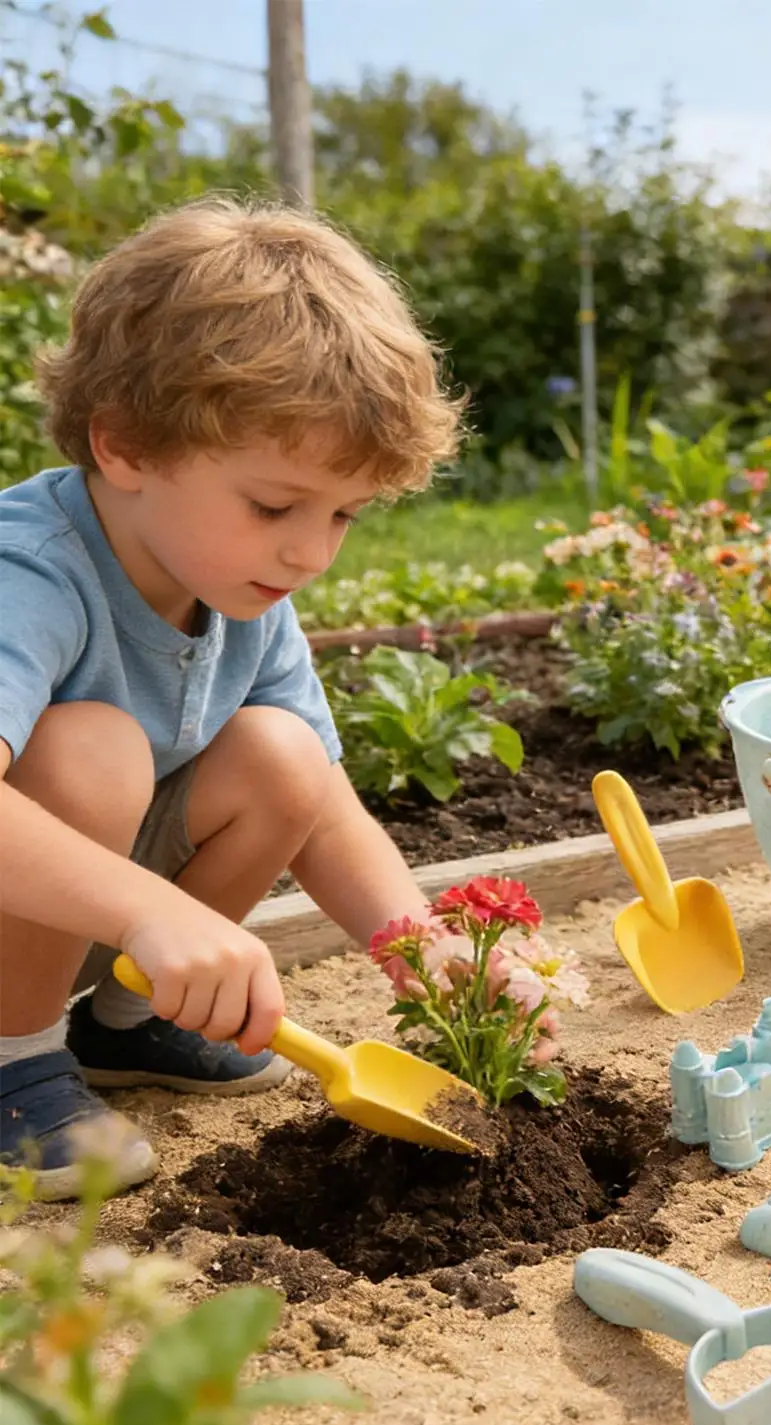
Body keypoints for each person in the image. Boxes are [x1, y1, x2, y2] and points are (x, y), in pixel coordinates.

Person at [0, 196, 464, 1200]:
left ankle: (131, 1025)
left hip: (84, 921)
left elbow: (325, 808)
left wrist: (424, 950)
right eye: (274, 504)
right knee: (92, 749)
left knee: (285, 756)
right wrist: (151, 909)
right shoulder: (29, 570)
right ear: (124, 446)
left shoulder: (237, 583)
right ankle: (13, 1062)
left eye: (343, 514)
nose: (310, 552)